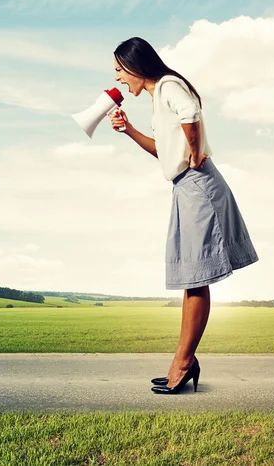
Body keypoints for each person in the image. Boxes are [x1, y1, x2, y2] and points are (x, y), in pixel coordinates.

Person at [109, 37, 258, 394]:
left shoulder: (168, 86)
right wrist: (129, 130)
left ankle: (183, 361)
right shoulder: (157, 98)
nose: (117, 79)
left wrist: (194, 153)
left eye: (119, 71)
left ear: (134, 65)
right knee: (192, 277)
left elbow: (191, 114)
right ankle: (183, 360)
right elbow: (163, 151)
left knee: (196, 277)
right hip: (184, 187)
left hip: (197, 184)